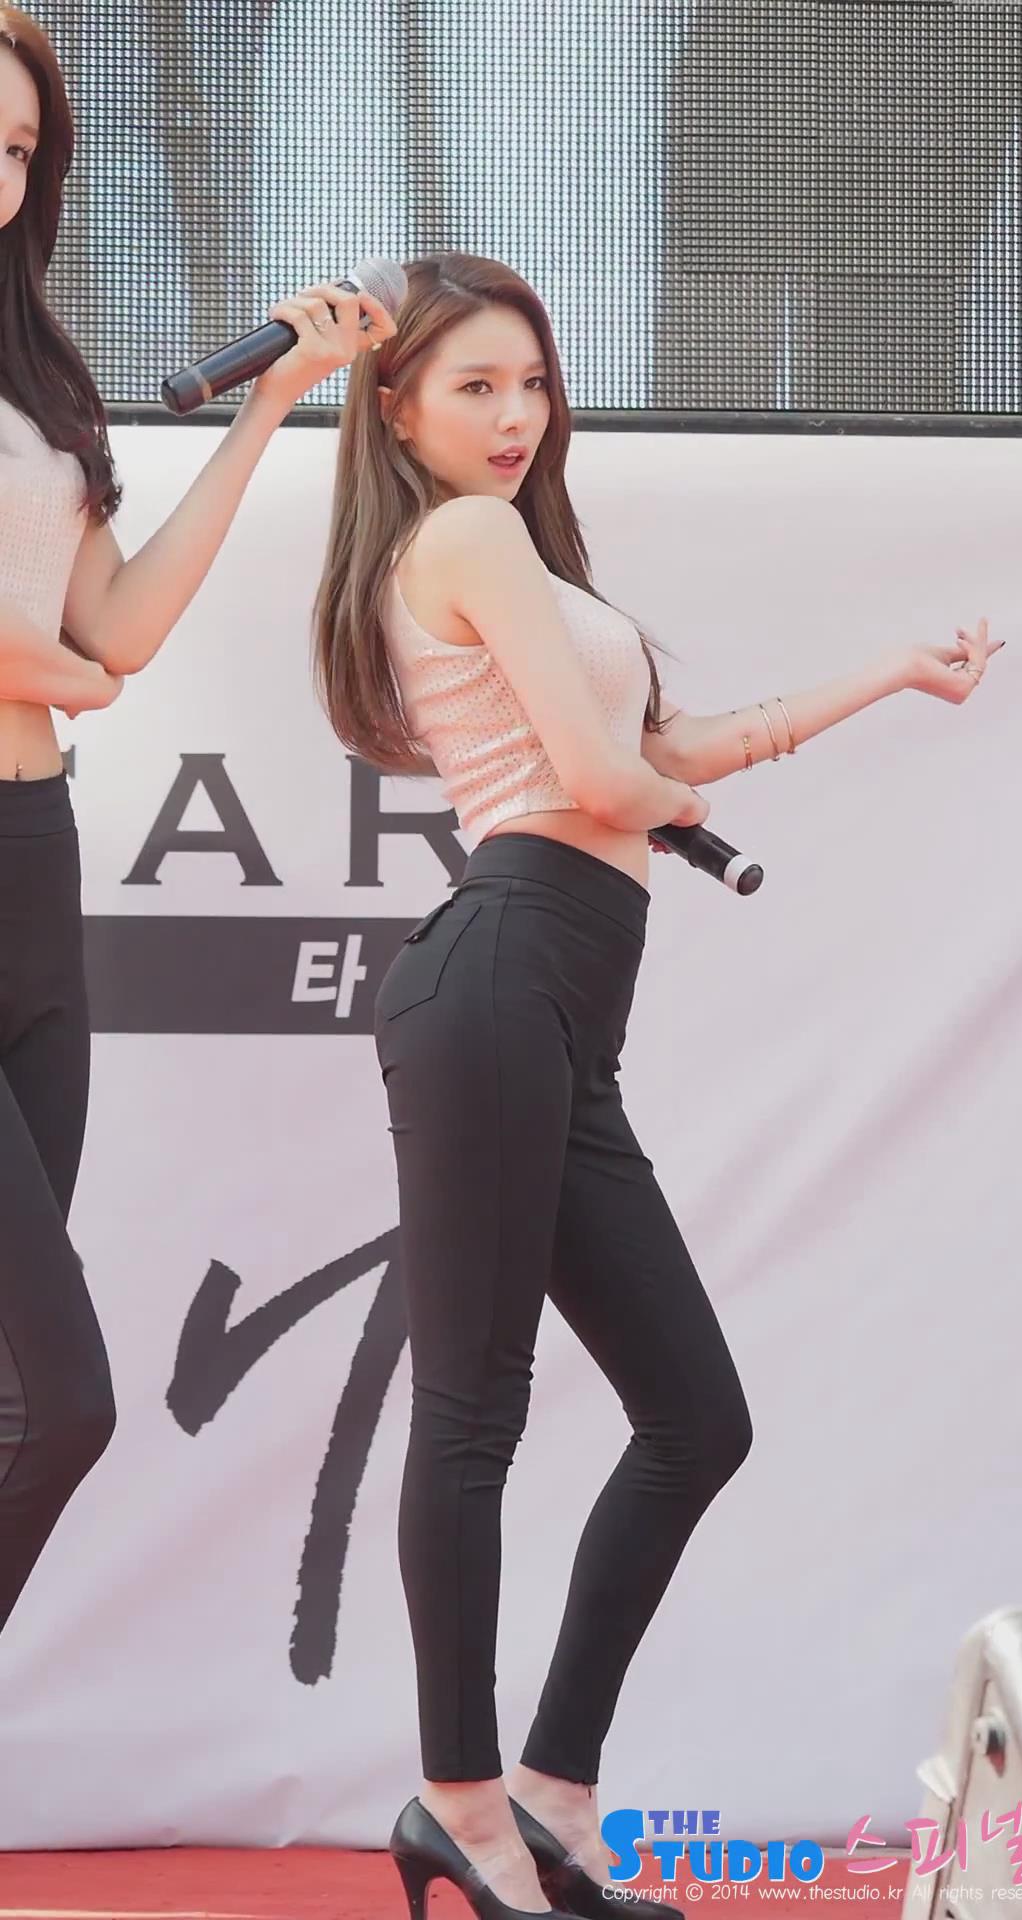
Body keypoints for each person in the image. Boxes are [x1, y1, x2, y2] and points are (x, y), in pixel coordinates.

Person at [312, 250, 1000, 1920]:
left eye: (534, 383)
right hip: (501, 973)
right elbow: (609, 782)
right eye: (476, 386)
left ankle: (549, 1795)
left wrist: (887, 674)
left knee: (696, 1416)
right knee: (473, 1411)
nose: (517, 416)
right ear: (396, 409)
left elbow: (664, 754)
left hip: (556, 1002)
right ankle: (459, 1800)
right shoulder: (462, 539)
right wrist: (666, 804)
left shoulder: (527, 553)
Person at [0, 4, 396, 1638]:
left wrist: (269, 402)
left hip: (34, 865)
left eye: (19, 147)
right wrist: (66, 671)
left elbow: (117, 630)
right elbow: (59, 660)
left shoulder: (36, 382)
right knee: (63, 1400)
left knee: (13, 1399)